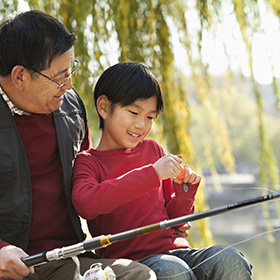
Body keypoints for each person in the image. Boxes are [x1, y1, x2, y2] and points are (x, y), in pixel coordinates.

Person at [0, 11, 156, 280]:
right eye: (60, 76)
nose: (70, 85)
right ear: (20, 77)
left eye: (71, 70)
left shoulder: (72, 107)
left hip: (71, 255)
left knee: (142, 275)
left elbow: (92, 189)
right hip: (13, 267)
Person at [72, 62, 253, 279]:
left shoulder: (153, 149)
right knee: (173, 270)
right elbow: (86, 204)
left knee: (230, 259)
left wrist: (185, 193)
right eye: (133, 112)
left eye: (150, 117)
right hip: (134, 263)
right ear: (103, 107)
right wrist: (152, 174)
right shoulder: (89, 162)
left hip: (177, 253)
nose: (142, 125)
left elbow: (174, 220)